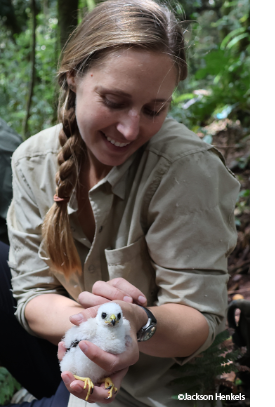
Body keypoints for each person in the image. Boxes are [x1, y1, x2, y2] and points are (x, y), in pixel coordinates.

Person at [1, 0, 240, 406]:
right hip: (73, 357)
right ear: (73, 77)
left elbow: (200, 322)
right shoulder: (32, 161)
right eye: (113, 101)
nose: (131, 129)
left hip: (156, 389)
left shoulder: (184, 170)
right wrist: (99, 329)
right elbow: (31, 298)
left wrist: (134, 323)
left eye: (154, 109)